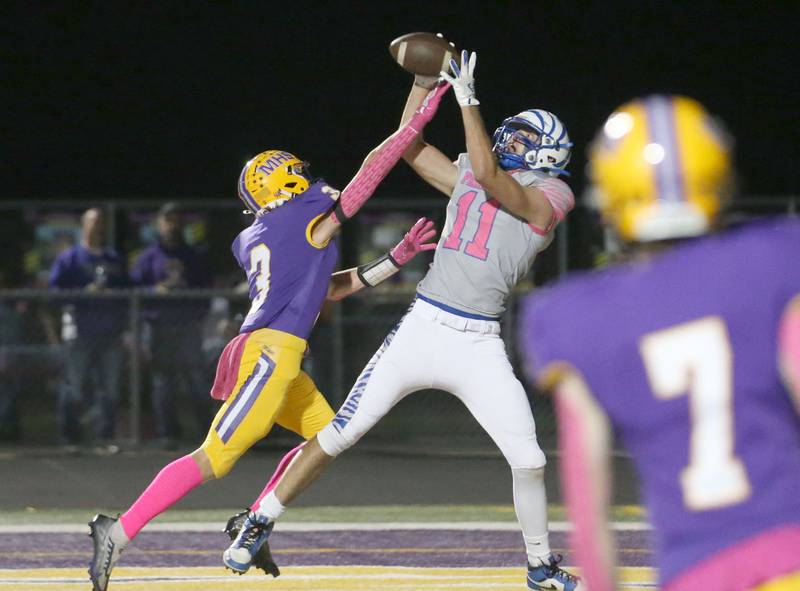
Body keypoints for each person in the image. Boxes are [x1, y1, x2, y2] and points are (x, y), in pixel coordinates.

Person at [225, 50, 582, 591]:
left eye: (524, 141)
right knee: (341, 433)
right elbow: (407, 146)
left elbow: (488, 173)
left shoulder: (553, 195)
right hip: (424, 324)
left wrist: (468, 99)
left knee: (529, 458)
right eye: (510, 135)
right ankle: (258, 520)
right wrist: (422, 85)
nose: (512, 144)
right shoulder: (473, 169)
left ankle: (539, 566)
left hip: (479, 342)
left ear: (549, 155)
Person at [87, 81, 449, 591]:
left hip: (281, 355)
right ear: (280, 183)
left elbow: (329, 288)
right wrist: (415, 121)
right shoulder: (300, 217)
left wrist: (395, 260)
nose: (306, 179)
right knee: (216, 456)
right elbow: (370, 173)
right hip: (268, 354)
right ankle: (117, 531)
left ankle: (253, 522)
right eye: (295, 174)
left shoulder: (263, 234)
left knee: (328, 439)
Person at [520, 95, 800, 591]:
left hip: (698, 573)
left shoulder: (576, 315)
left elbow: (589, 502)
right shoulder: (775, 260)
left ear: (608, 200)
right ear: (720, 179)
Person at [130, 202, 214, 446]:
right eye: (167, 220)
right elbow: (132, 289)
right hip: (159, 327)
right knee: (162, 382)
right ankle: (168, 434)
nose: (172, 225)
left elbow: (207, 288)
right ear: (159, 224)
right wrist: (153, 291)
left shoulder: (194, 256)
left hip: (188, 327)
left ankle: (207, 434)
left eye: (176, 220)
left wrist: (198, 312)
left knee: (196, 380)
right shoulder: (147, 258)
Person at [49, 208, 129, 450]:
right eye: (92, 222)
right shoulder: (70, 258)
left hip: (110, 332)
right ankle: (70, 439)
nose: (96, 227)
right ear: (83, 226)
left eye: (100, 223)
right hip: (79, 332)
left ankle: (104, 438)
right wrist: (83, 293)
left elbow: (129, 290)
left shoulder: (113, 259)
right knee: (74, 386)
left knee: (109, 389)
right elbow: (54, 292)